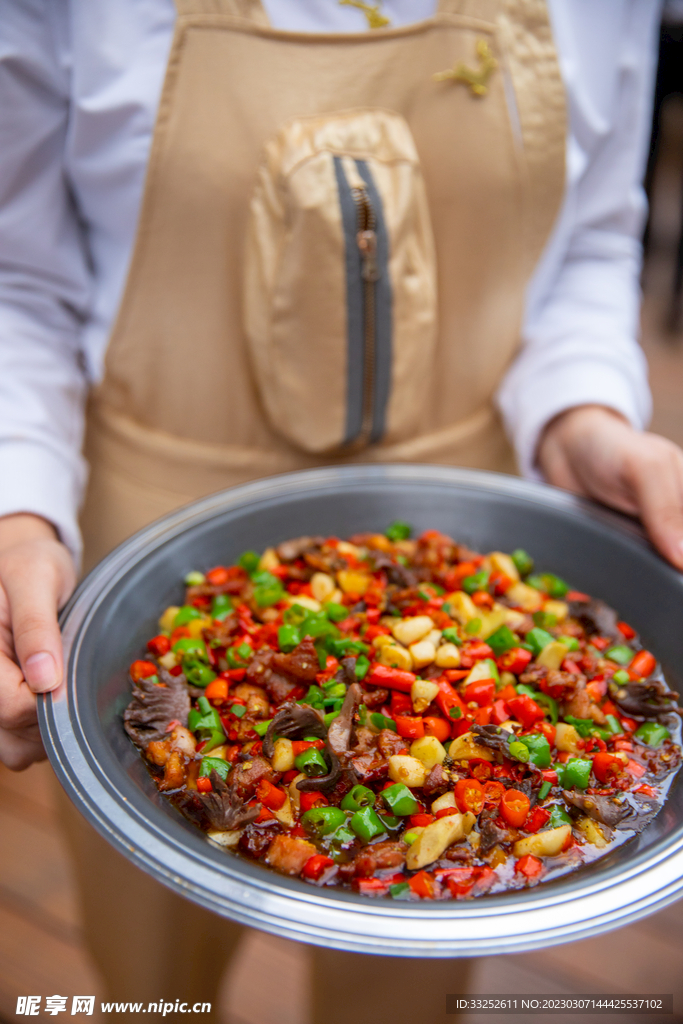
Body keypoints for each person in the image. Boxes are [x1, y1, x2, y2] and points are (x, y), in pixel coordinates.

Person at [1, 1, 683, 1021]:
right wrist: (17, 510)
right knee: (149, 970)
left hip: (473, 518)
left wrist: (579, 418)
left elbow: (584, 246)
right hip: (147, 538)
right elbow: (17, 275)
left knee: (403, 990)